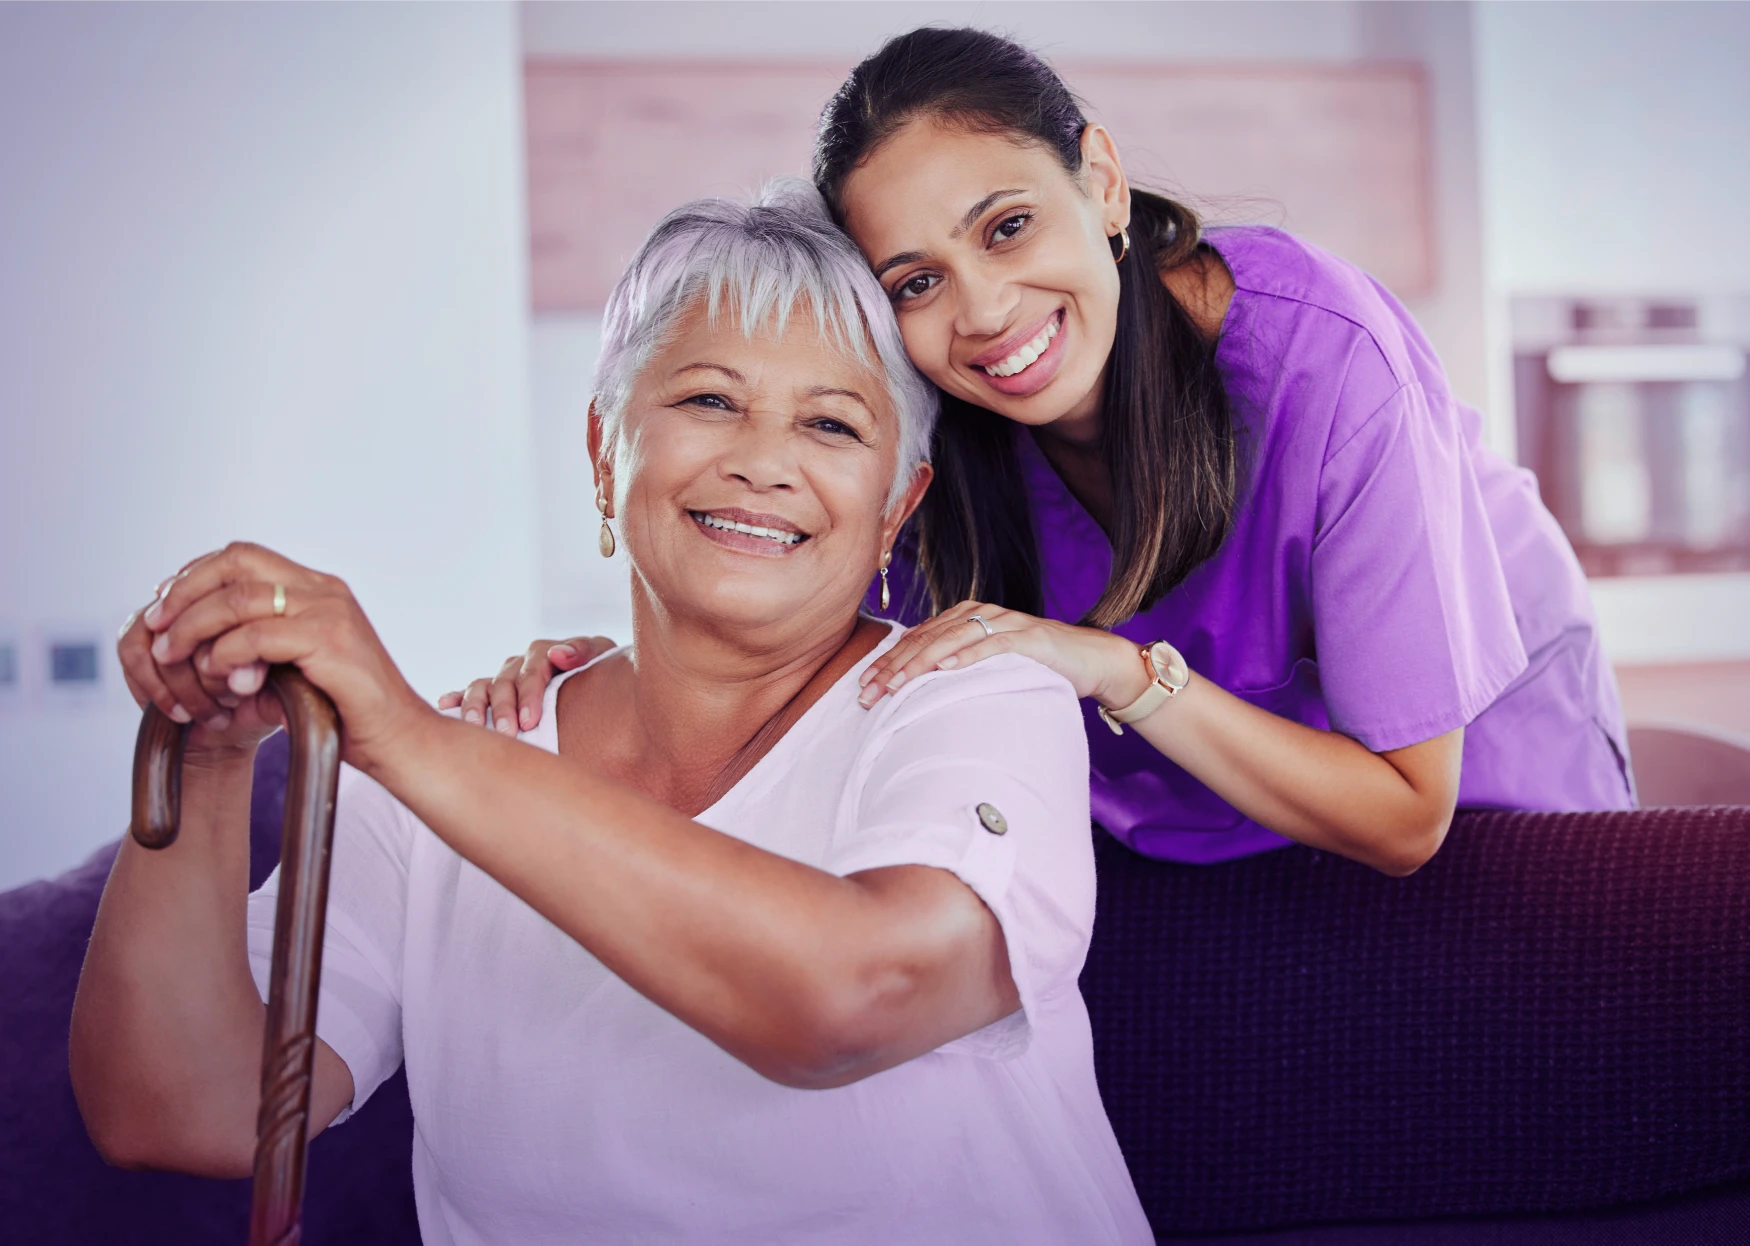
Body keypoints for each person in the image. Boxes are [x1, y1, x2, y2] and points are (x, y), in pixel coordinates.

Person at [71, 182, 1152, 1245]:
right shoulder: (451, 764)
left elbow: (854, 996)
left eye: (830, 423)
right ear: (604, 454)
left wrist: (411, 738)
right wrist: (203, 764)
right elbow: (184, 1112)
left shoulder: (974, 697)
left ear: (894, 507)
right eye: (707, 401)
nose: (762, 461)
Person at [461, 27, 1632, 877]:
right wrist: (596, 695)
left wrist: (1117, 669)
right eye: (915, 281)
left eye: (1008, 225)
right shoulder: (925, 431)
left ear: (1103, 182)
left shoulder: (1326, 359)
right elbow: (800, 652)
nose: (982, 312)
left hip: (1466, 783)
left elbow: (1403, 814)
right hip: (1177, 827)